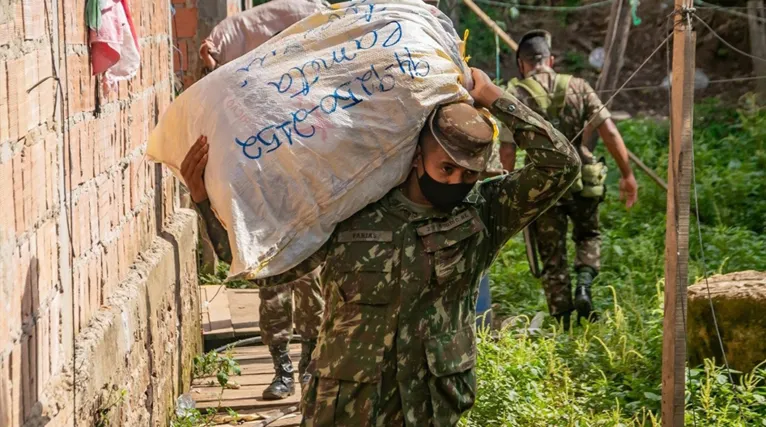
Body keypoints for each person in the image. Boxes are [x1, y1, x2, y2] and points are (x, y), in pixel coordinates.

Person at [182, 67, 580, 425]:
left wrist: (494, 97)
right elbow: (270, 271)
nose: (456, 182)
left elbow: (561, 164)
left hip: (429, 406)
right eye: (447, 168)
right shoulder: (354, 204)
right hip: (348, 404)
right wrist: (203, 199)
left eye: (469, 174)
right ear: (416, 157)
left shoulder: (486, 213)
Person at [190, 1, 327, 400]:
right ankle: (282, 367)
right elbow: (218, 98)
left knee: (311, 286)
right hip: (265, 196)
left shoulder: (306, 71)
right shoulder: (247, 76)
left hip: (305, 193)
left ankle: (307, 364)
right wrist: (211, 66)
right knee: (271, 285)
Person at [500, 30, 639, 328]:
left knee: (552, 255)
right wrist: (627, 175)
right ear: (550, 59)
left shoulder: (516, 95)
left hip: (544, 185)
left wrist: (508, 189)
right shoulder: (579, 86)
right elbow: (610, 132)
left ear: (522, 64)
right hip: (584, 179)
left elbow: (508, 152)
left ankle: (563, 323)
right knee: (589, 235)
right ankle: (585, 286)